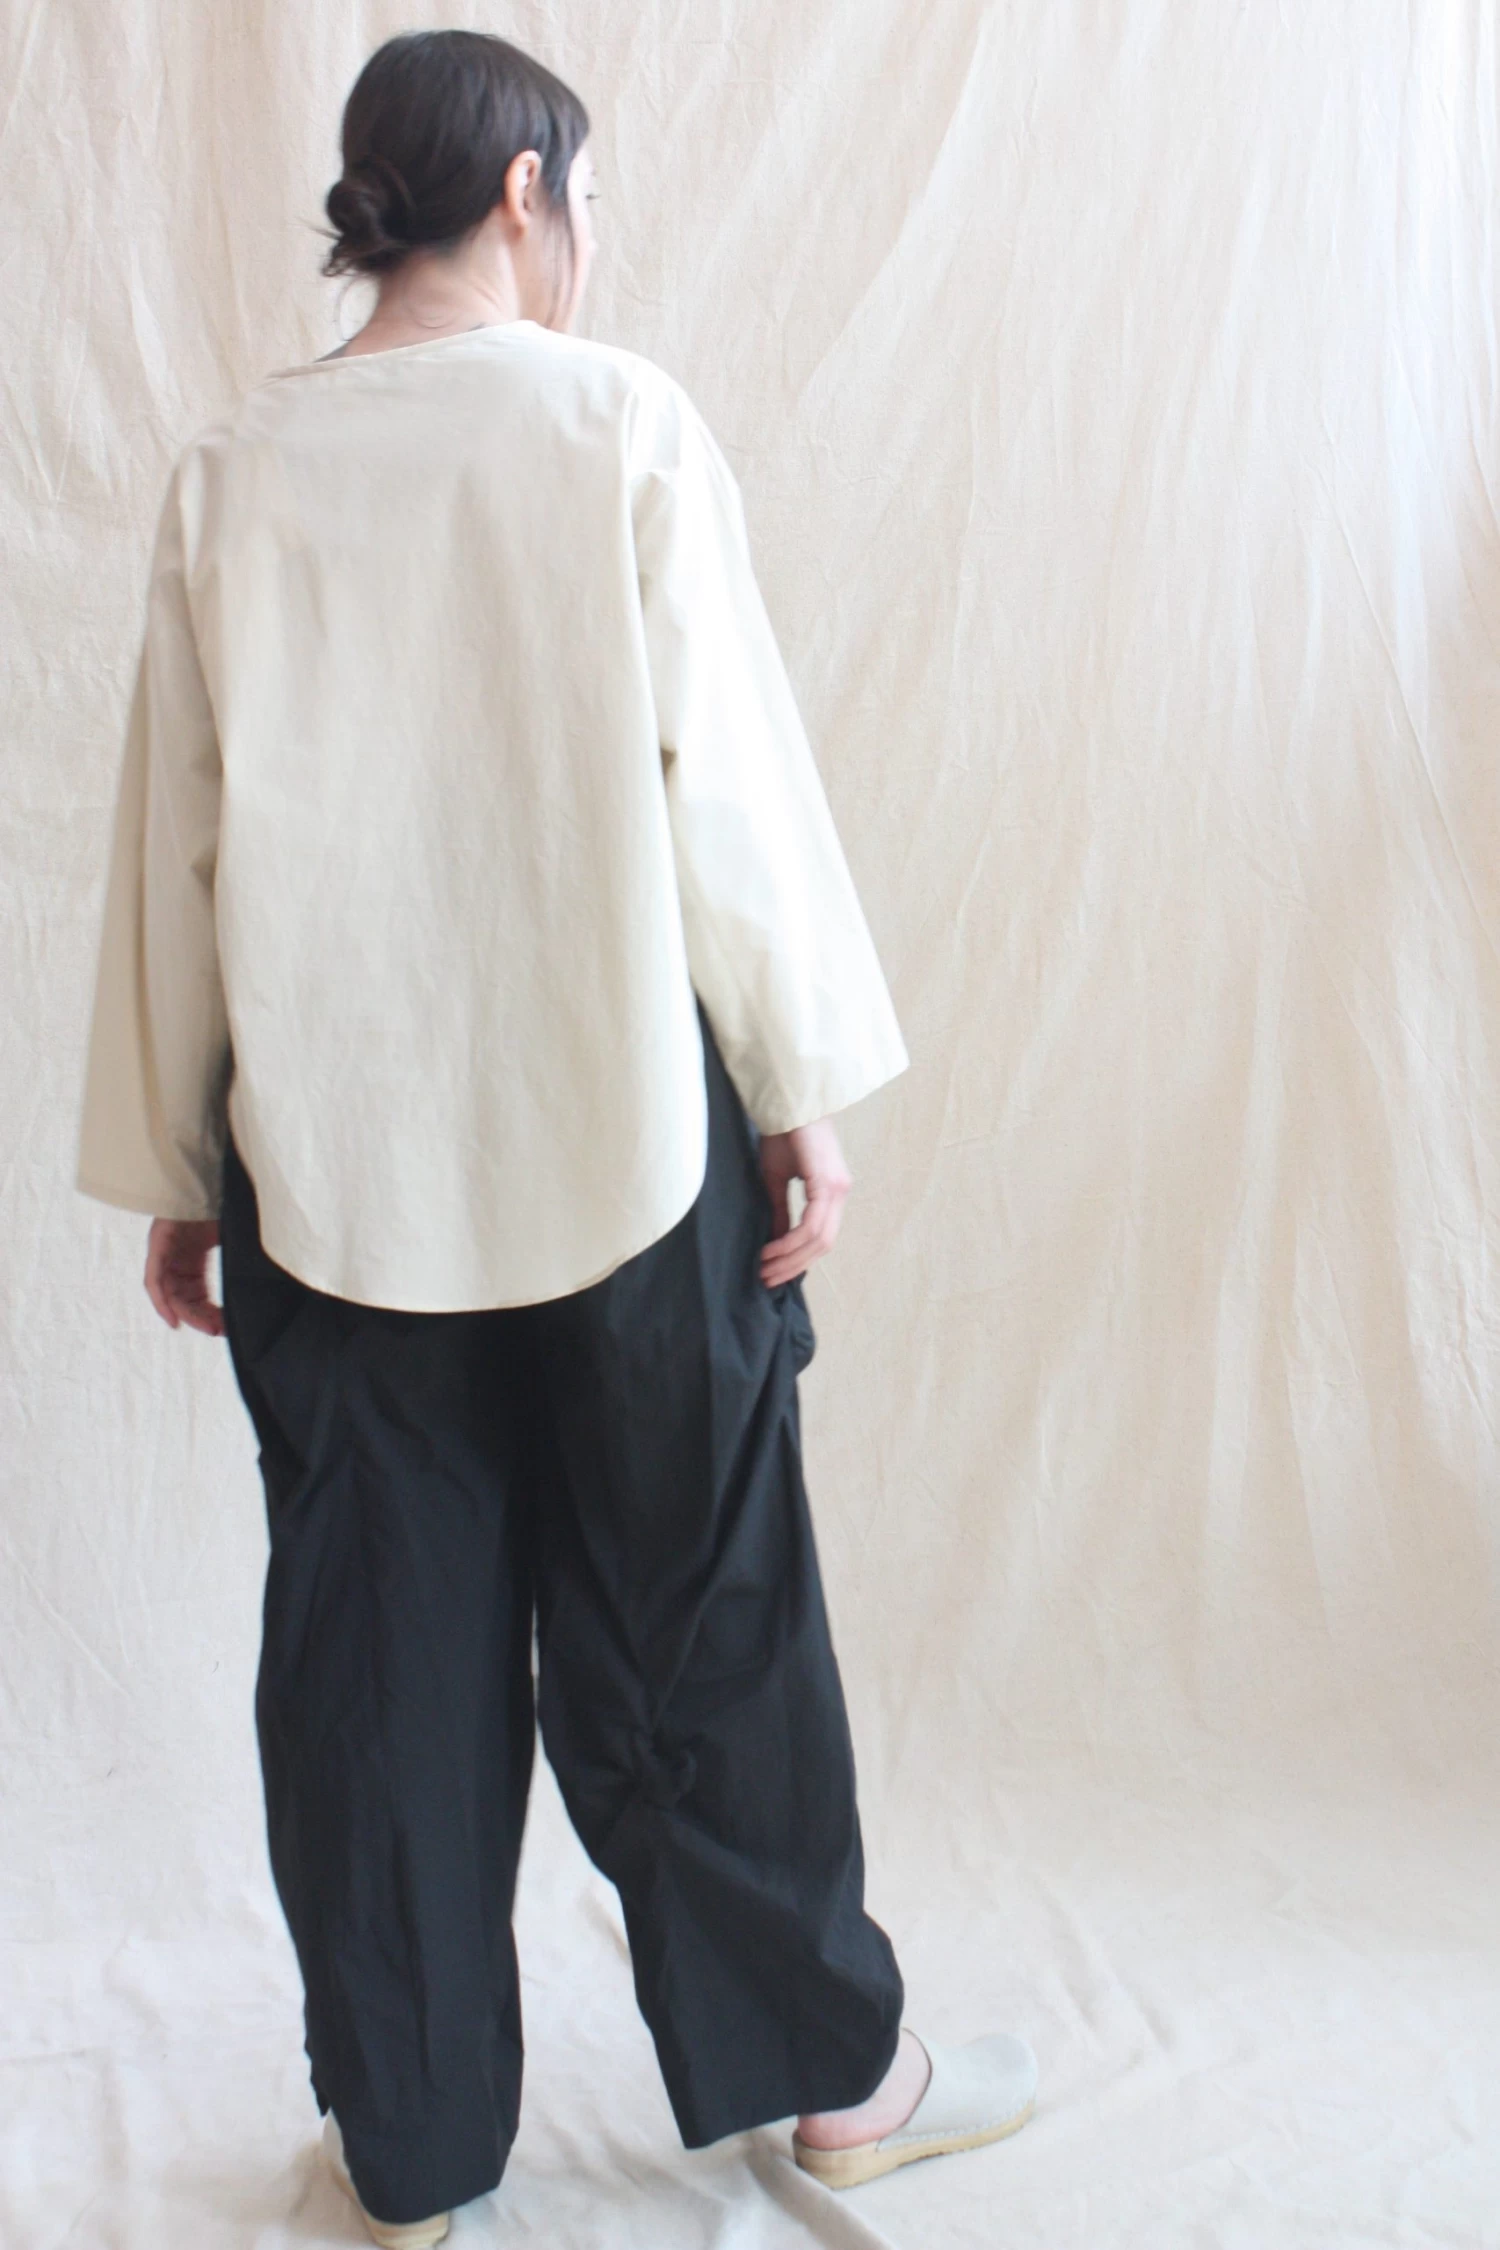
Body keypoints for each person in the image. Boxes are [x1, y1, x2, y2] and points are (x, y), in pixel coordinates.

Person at [75, 29, 1037, 2248]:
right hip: (629, 1137)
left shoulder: (232, 474)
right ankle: (837, 2080)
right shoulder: (619, 426)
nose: (590, 236)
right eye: (584, 195)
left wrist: (183, 1170)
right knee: (701, 1610)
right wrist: (796, 1091)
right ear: (524, 188)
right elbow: (730, 791)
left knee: (376, 1649)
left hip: (333, 1157)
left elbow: (179, 851)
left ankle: (413, 2156)